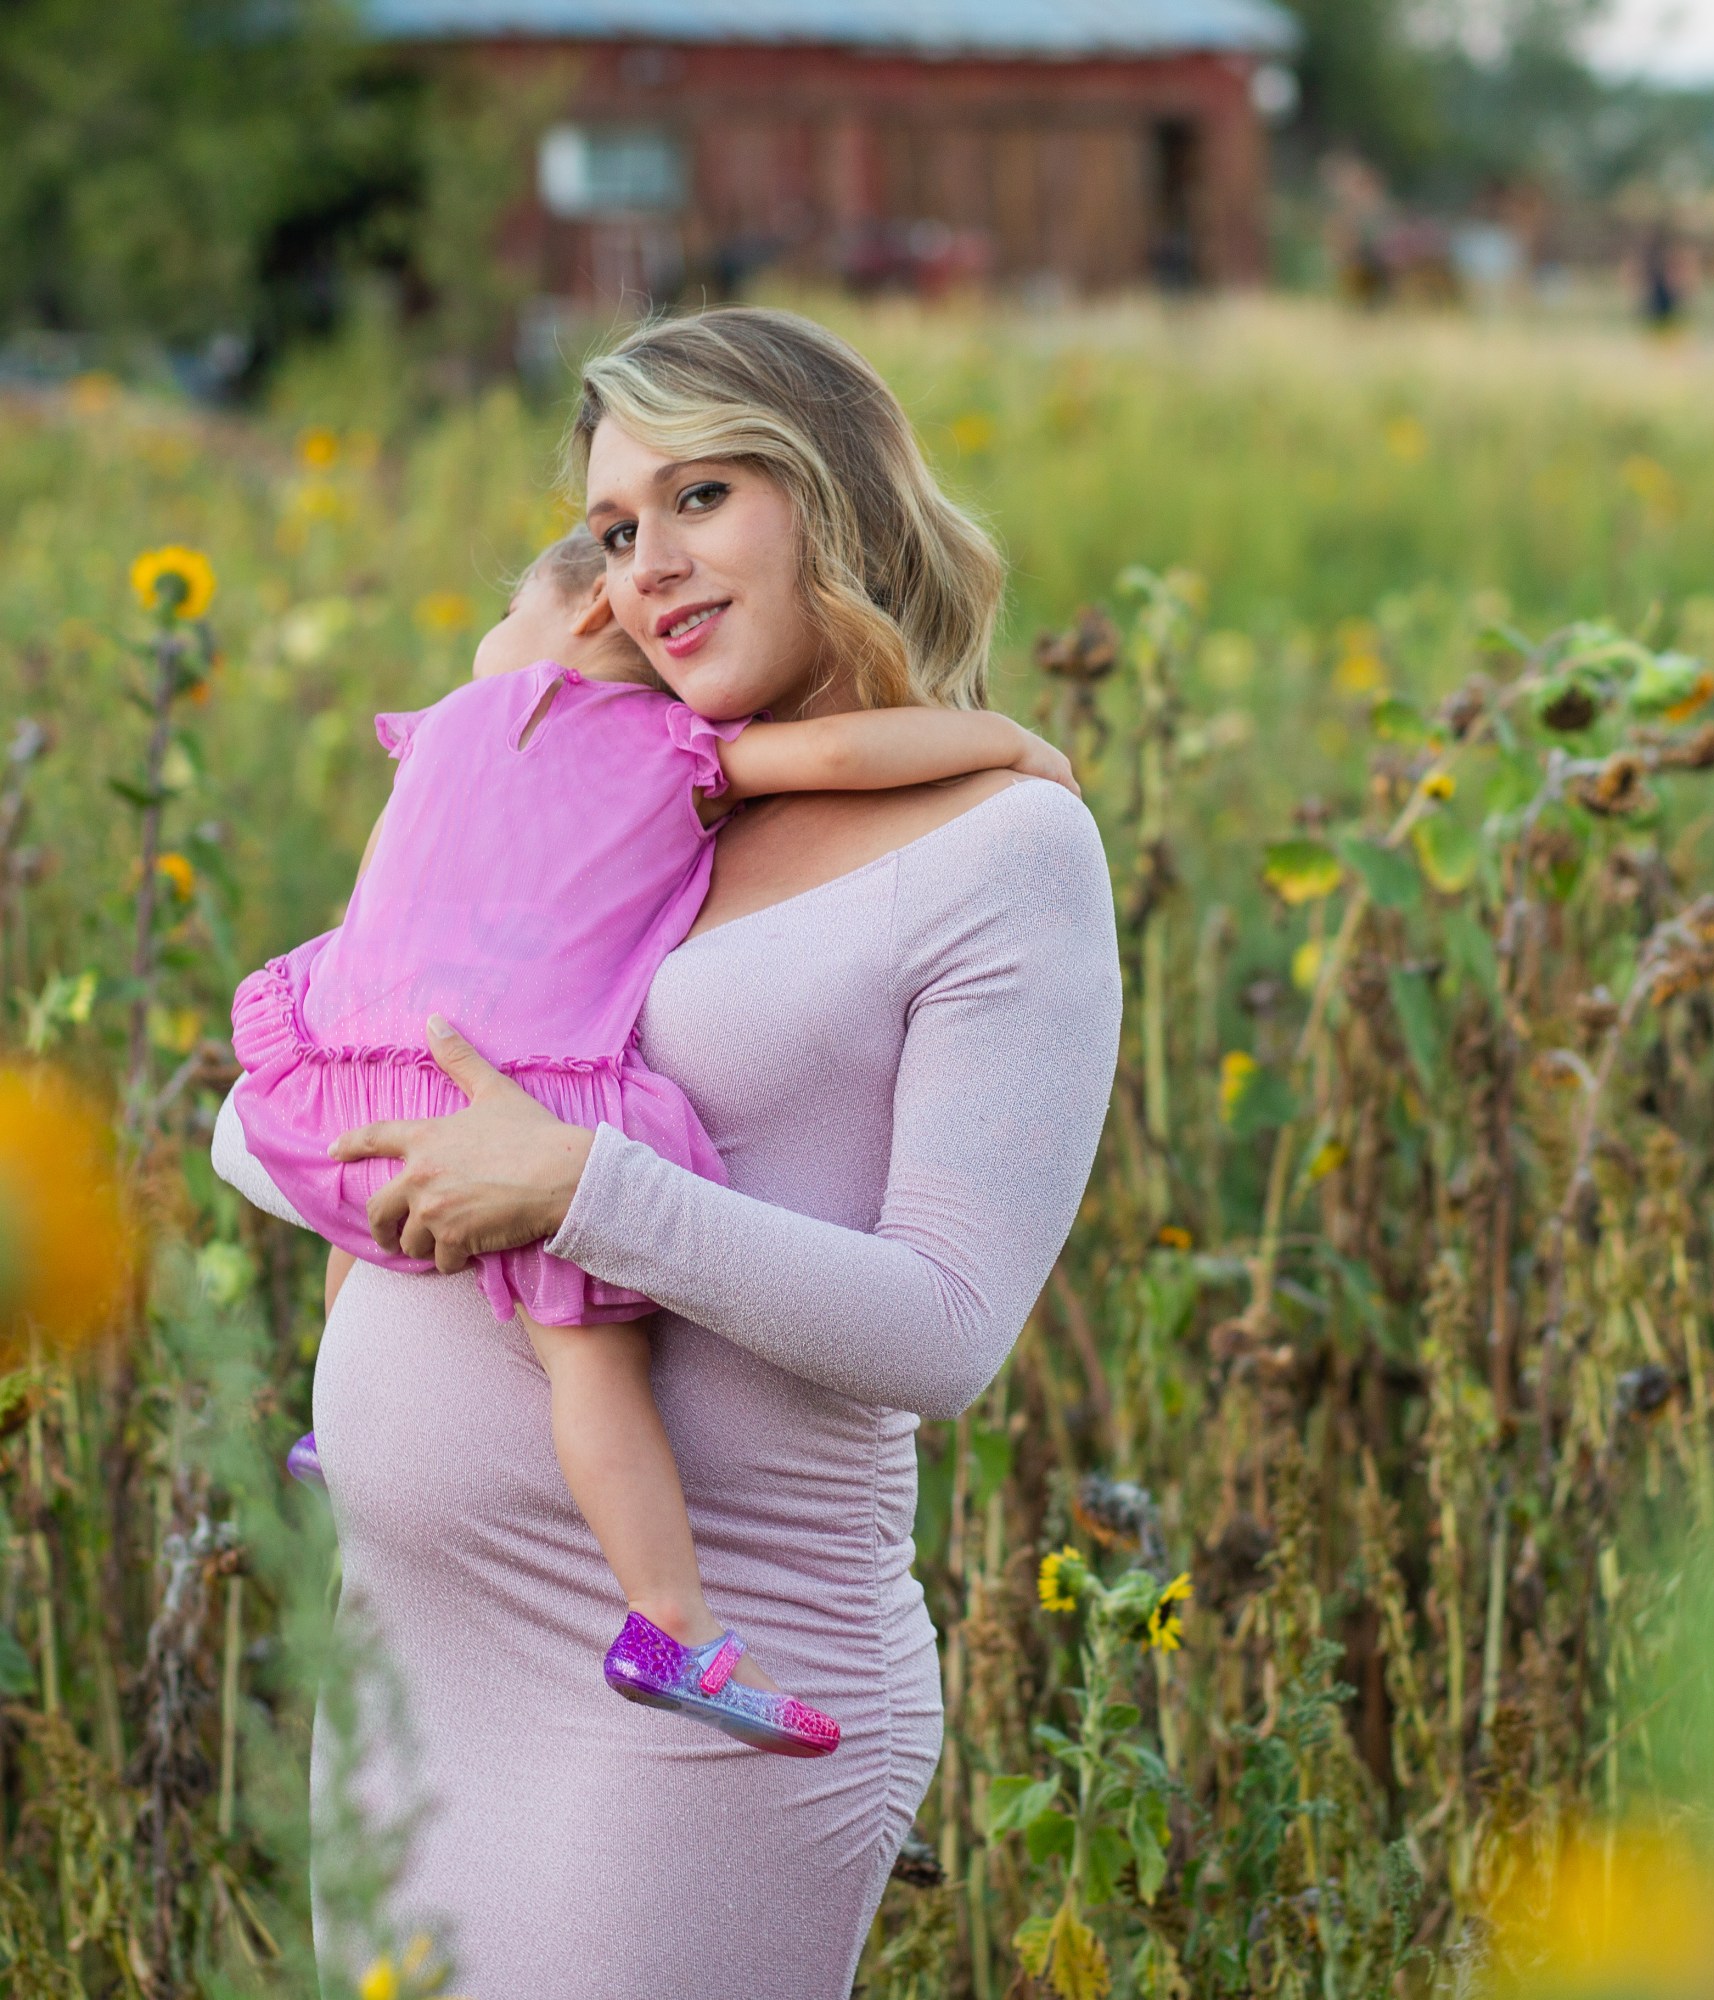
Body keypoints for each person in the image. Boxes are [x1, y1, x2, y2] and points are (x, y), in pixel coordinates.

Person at [210, 305, 1123, 1997]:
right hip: (409, 1661)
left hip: (693, 1708)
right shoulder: (610, 788)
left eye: (701, 497)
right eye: (617, 529)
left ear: (835, 496)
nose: (650, 569)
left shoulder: (1002, 847)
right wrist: (405, 1141)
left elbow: (945, 1332)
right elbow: (263, 1124)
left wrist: (583, 1190)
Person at [230, 524, 1076, 1759]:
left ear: (578, 616)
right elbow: (842, 752)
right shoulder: (677, 748)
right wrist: (1004, 742)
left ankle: (333, 1424)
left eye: (505, 611)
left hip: (335, 1070)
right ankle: (669, 1617)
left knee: (370, 1200)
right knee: (592, 1360)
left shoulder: (444, 732)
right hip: (515, 1098)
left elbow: (372, 920)